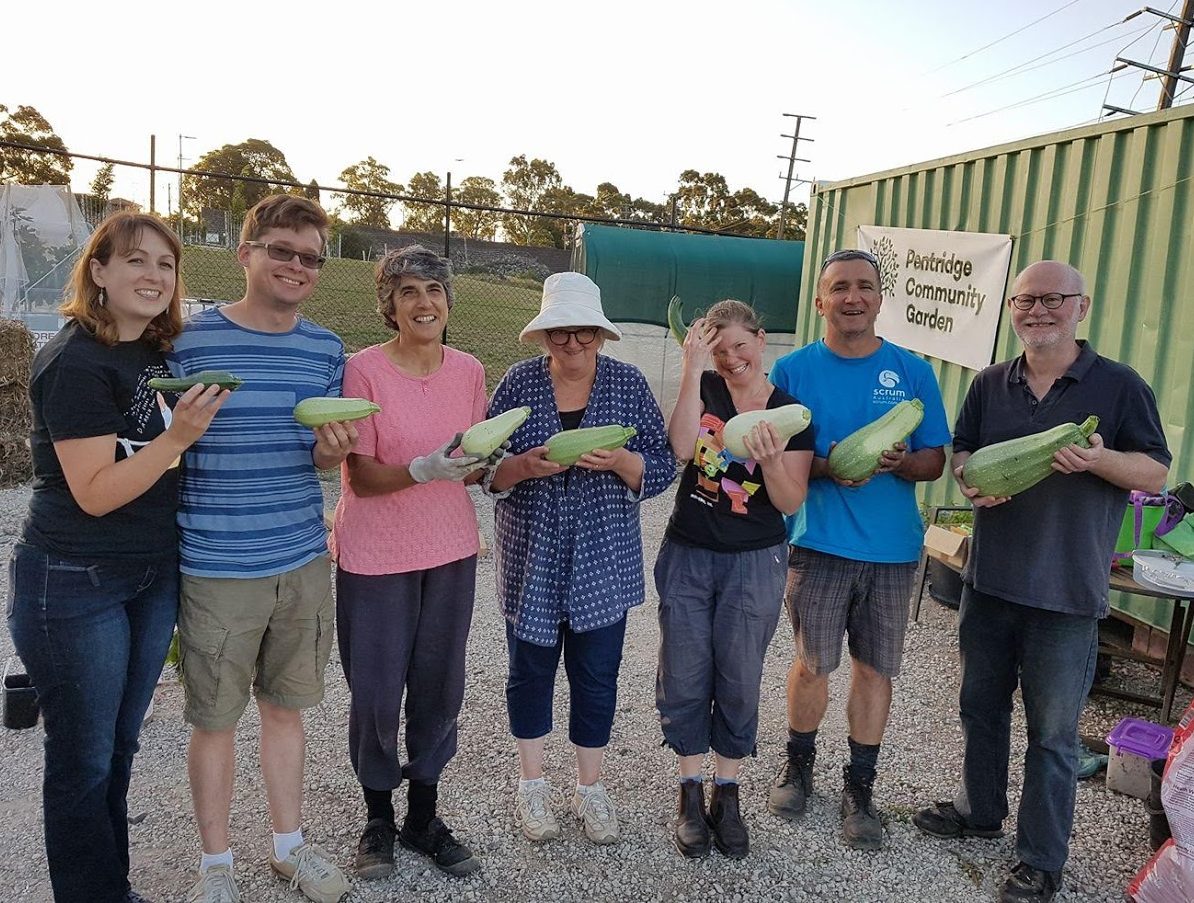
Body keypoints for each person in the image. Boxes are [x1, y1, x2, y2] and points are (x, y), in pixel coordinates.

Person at [912, 260, 1170, 903]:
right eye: (1025, 300)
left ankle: (1041, 858)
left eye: (1054, 299)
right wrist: (971, 477)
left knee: (1053, 735)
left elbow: (1155, 474)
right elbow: (966, 450)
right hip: (990, 580)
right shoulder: (990, 382)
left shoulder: (1119, 387)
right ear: (1012, 311)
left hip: (1067, 593)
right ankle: (979, 813)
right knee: (980, 709)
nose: (1039, 310)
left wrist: (1099, 459)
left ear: (1081, 308)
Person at [7, 211, 228, 902]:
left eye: (165, 265)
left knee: (119, 750)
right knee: (82, 760)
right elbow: (96, 492)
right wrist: (178, 439)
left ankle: (112, 887)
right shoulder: (75, 360)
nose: (153, 276)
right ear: (97, 271)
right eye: (135, 261)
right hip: (75, 580)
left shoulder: (153, 354)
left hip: (147, 573)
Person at [171, 195, 355, 903]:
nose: (297, 265)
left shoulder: (324, 349)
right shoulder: (189, 343)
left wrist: (329, 451)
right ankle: (215, 865)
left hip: (302, 559)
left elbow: (316, 458)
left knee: (287, 709)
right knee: (213, 719)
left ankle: (289, 847)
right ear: (245, 252)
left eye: (309, 256)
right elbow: (162, 447)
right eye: (281, 249)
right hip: (216, 564)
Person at [767, 248, 951, 849]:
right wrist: (825, 466)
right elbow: (775, 454)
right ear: (820, 300)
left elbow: (934, 460)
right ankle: (799, 766)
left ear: (879, 297)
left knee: (876, 669)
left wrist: (902, 461)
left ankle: (860, 787)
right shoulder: (793, 371)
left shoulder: (912, 371)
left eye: (865, 286)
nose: (853, 297)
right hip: (818, 543)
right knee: (813, 663)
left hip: (894, 550)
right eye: (839, 287)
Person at [486, 272, 675, 845]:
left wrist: (621, 461)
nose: (573, 345)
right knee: (529, 674)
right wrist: (519, 467)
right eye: (560, 334)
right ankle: (532, 785)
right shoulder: (518, 383)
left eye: (584, 334)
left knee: (596, 678)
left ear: (600, 335)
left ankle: (590, 788)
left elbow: (663, 468)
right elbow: (483, 462)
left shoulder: (628, 385)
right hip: (533, 557)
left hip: (601, 561)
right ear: (544, 336)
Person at [330, 245, 498, 880]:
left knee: (439, 685)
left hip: (451, 551)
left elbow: (478, 459)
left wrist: (500, 469)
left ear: (449, 301)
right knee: (375, 691)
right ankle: (377, 816)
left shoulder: (469, 371)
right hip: (374, 555)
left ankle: (423, 815)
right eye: (408, 293)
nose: (424, 303)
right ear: (389, 307)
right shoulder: (364, 371)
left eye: (433, 290)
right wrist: (425, 468)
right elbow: (363, 476)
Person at [656, 300, 813, 859]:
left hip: (755, 560)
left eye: (739, 346)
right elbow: (679, 449)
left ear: (761, 339)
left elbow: (792, 499)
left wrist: (771, 461)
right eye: (719, 350)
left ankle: (729, 790)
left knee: (740, 674)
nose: (731, 358)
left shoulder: (792, 412)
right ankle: (689, 790)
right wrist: (692, 370)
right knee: (686, 669)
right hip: (689, 553)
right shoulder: (708, 390)